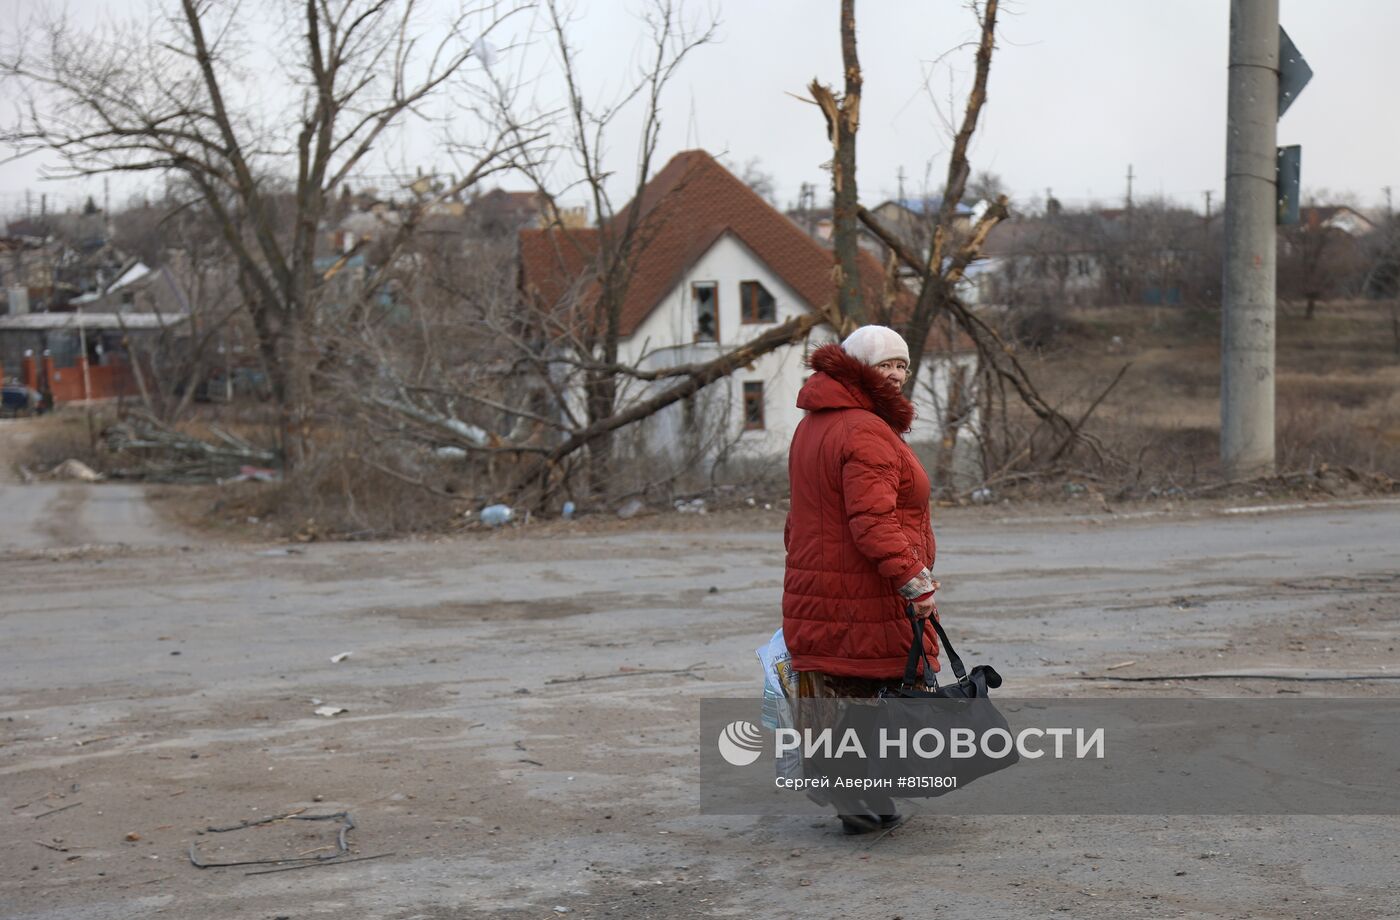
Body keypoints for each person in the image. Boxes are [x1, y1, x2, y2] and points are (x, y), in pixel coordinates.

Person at [782, 324, 940, 834]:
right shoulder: (864, 430)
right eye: (885, 364)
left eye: (903, 365)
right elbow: (874, 522)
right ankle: (856, 796)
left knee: (844, 689)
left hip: (823, 585)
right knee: (875, 688)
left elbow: (799, 518)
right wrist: (914, 581)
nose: (897, 375)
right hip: (862, 588)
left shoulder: (815, 424)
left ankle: (855, 795)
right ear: (857, 368)